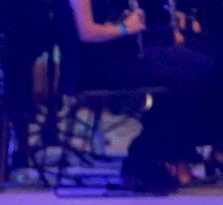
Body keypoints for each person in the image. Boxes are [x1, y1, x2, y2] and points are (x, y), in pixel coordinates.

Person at [65, 0, 217, 191]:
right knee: (198, 70)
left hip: (122, 54)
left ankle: (163, 153)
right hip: (98, 66)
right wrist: (124, 28)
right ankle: (153, 154)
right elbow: (86, 32)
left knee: (206, 63)